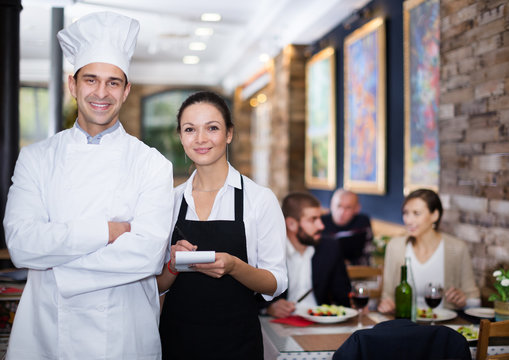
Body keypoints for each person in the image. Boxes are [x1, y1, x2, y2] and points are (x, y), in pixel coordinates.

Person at [3, 12, 174, 359]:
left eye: (113, 82)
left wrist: (55, 261)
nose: (101, 92)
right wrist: (109, 231)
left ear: (126, 91)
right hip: (48, 331)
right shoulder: (36, 158)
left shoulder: (152, 164)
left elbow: (147, 255)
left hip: (124, 334)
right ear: (73, 85)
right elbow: (22, 245)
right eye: (91, 80)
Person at [156, 91, 287, 360]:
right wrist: (171, 265)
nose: (200, 139)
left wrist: (234, 266)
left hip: (237, 344)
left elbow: (276, 283)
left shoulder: (259, 200)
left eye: (212, 128)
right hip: (177, 342)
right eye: (190, 129)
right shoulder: (168, 202)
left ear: (229, 134)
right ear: (180, 136)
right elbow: (155, 286)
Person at [377, 189, 480, 314]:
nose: (408, 220)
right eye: (406, 213)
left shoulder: (457, 248)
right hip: (406, 325)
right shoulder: (395, 247)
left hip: (444, 326)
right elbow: (387, 296)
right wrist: (387, 304)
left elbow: (474, 301)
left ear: (434, 215)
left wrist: (463, 300)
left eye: (416, 213)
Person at [260, 192, 351, 318]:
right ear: (291, 224)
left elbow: (343, 295)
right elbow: (249, 297)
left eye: (320, 218)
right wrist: (269, 308)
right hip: (277, 323)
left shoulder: (330, 247)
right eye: (313, 219)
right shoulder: (267, 250)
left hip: (320, 322)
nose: (321, 225)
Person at [321, 188, 374, 265]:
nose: (342, 212)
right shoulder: (321, 222)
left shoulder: (362, 222)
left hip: (355, 270)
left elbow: (368, 251)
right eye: (338, 206)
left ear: (357, 208)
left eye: (348, 207)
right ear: (331, 205)